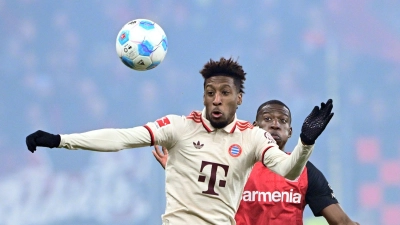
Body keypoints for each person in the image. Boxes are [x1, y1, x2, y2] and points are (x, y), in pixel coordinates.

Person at [26, 57, 334, 225]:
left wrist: (306, 143)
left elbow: (290, 172)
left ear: (239, 99)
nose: (216, 99)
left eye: (225, 93)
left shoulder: (253, 137)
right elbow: (121, 138)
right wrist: (60, 140)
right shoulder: (178, 127)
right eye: (210, 92)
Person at [153, 99, 357, 225]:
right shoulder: (231, 163)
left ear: (290, 132)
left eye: (283, 121)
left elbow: (341, 222)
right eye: (267, 119)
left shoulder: (305, 172)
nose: (275, 124)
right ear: (254, 127)